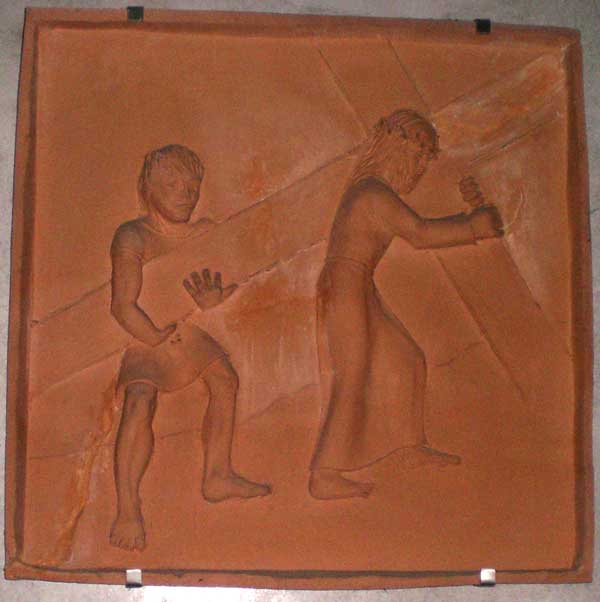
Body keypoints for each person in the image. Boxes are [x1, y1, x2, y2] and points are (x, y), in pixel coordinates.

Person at [309, 110, 503, 500]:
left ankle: (409, 447)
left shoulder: (373, 190)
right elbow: (420, 233)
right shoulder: (373, 194)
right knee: (353, 374)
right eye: (418, 157)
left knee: (406, 358)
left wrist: (471, 220)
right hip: (346, 284)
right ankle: (323, 475)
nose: (419, 169)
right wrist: (473, 227)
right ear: (395, 150)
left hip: (357, 282)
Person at [109, 144, 270, 551]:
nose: (186, 195)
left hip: (185, 331)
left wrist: (214, 301)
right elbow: (123, 305)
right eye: (174, 186)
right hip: (146, 334)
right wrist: (153, 337)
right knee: (139, 400)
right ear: (149, 188)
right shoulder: (132, 236)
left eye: (193, 188)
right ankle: (127, 507)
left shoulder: (205, 232)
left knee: (225, 380)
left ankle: (217, 474)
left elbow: (228, 286)